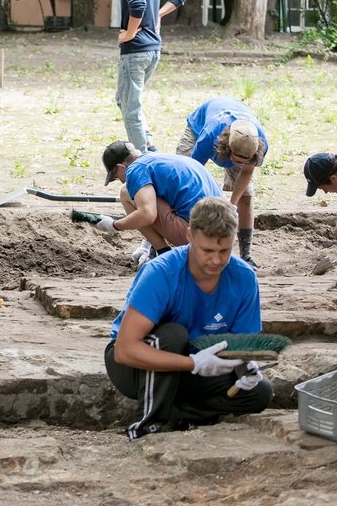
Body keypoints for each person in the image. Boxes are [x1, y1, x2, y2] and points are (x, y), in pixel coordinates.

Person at [105, 197, 274, 439]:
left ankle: (177, 414)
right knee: (172, 334)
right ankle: (148, 426)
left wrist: (245, 363)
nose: (216, 260)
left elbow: (242, 343)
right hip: (134, 367)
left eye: (224, 251)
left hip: (193, 366)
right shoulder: (162, 272)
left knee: (259, 392)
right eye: (207, 250)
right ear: (189, 236)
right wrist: (193, 364)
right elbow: (124, 350)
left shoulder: (244, 278)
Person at [104, 0, 190, 152]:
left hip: (136, 52)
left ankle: (146, 159)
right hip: (153, 51)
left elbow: (138, 4)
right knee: (124, 100)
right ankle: (149, 144)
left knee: (130, 108)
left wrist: (130, 33)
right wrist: (157, 15)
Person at [95, 141, 223, 266]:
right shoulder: (159, 158)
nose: (121, 180)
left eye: (116, 177)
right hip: (225, 230)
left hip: (201, 236)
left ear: (120, 167)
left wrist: (113, 225)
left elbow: (147, 215)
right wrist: (146, 244)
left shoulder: (135, 168)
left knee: (125, 192)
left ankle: (164, 254)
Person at [176, 97, 269, 267]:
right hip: (199, 126)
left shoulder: (260, 143)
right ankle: (162, 244)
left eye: (244, 160)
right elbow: (193, 172)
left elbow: (246, 172)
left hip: (240, 131)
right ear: (227, 148)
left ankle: (246, 255)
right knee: (181, 184)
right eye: (237, 159)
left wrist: (231, 206)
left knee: (246, 197)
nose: (239, 164)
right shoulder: (209, 137)